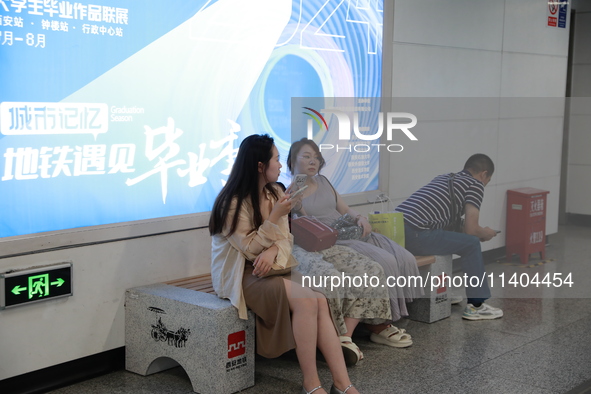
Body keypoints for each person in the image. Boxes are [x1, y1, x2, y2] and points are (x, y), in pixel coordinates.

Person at [209, 134, 359, 394]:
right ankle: (311, 383)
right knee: (306, 300)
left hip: (274, 266)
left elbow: (287, 237)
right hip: (241, 275)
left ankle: (343, 383)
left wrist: (274, 249)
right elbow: (249, 250)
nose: (280, 165)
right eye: (276, 160)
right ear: (259, 166)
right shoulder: (231, 202)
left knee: (320, 299)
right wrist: (276, 217)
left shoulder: (275, 191)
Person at [287, 138, 422, 349]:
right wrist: (296, 193)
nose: (313, 161)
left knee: (405, 257)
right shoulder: (292, 192)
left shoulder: (323, 181)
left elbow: (344, 208)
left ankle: (388, 319)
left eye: (316, 157)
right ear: (292, 160)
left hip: (351, 229)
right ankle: (380, 325)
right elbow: (306, 226)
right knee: (384, 262)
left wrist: (360, 217)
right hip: (333, 239)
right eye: (306, 157)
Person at [395, 153, 503, 321]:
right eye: (487, 181)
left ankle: (442, 293)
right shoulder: (475, 184)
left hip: (397, 231)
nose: (485, 185)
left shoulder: (445, 178)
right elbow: (472, 230)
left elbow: (442, 219)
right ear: (484, 174)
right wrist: (486, 233)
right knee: (472, 244)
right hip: (417, 233)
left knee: (454, 240)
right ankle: (476, 306)